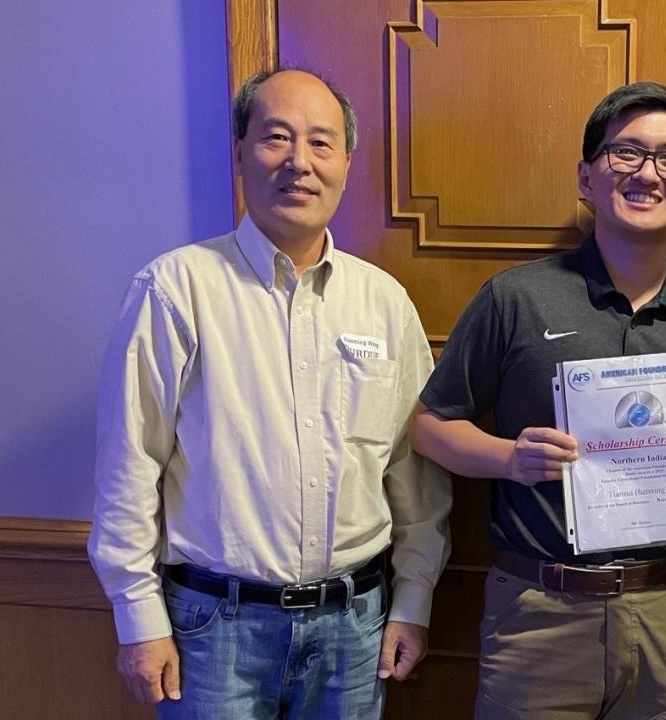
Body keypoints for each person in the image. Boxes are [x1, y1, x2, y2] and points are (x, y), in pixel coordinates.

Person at [88, 68, 451, 718]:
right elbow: (129, 465)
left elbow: (413, 472)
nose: (299, 163)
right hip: (213, 632)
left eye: (320, 142)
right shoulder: (176, 291)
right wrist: (137, 616)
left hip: (355, 628)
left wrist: (415, 600)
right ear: (239, 153)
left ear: (347, 160)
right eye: (276, 138)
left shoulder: (384, 305)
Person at [413, 82, 666, 720]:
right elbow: (429, 427)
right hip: (537, 611)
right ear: (587, 177)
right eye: (625, 152)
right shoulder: (515, 300)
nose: (648, 173)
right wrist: (508, 457)